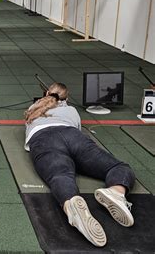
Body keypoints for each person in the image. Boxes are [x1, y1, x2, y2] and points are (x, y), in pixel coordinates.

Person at [24, 83, 135, 247]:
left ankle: (71, 203)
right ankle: (116, 192)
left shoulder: (34, 108)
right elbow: (77, 128)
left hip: (43, 139)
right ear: (66, 98)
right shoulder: (72, 111)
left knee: (60, 174)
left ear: (47, 93)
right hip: (73, 135)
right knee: (118, 167)